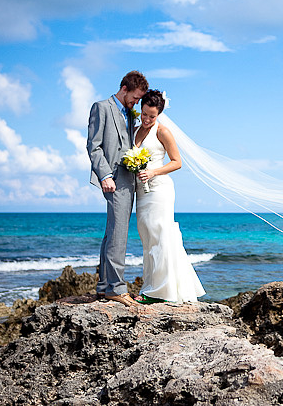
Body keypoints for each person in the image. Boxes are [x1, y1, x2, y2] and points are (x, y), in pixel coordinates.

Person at [133, 90, 206, 303]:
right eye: (144, 114)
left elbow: (177, 161)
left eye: (151, 116)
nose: (146, 119)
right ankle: (154, 286)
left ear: (159, 115)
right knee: (147, 238)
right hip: (142, 192)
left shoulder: (162, 131)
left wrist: (153, 172)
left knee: (160, 237)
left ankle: (159, 292)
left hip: (159, 190)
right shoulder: (137, 129)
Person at [87, 71, 149, 307]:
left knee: (112, 232)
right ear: (124, 88)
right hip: (113, 179)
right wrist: (105, 175)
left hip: (128, 179)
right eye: (134, 98)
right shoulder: (101, 107)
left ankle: (104, 286)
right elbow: (93, 146)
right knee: (119, 233)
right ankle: (116, 288)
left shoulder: (130, 114)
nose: (136, 103)